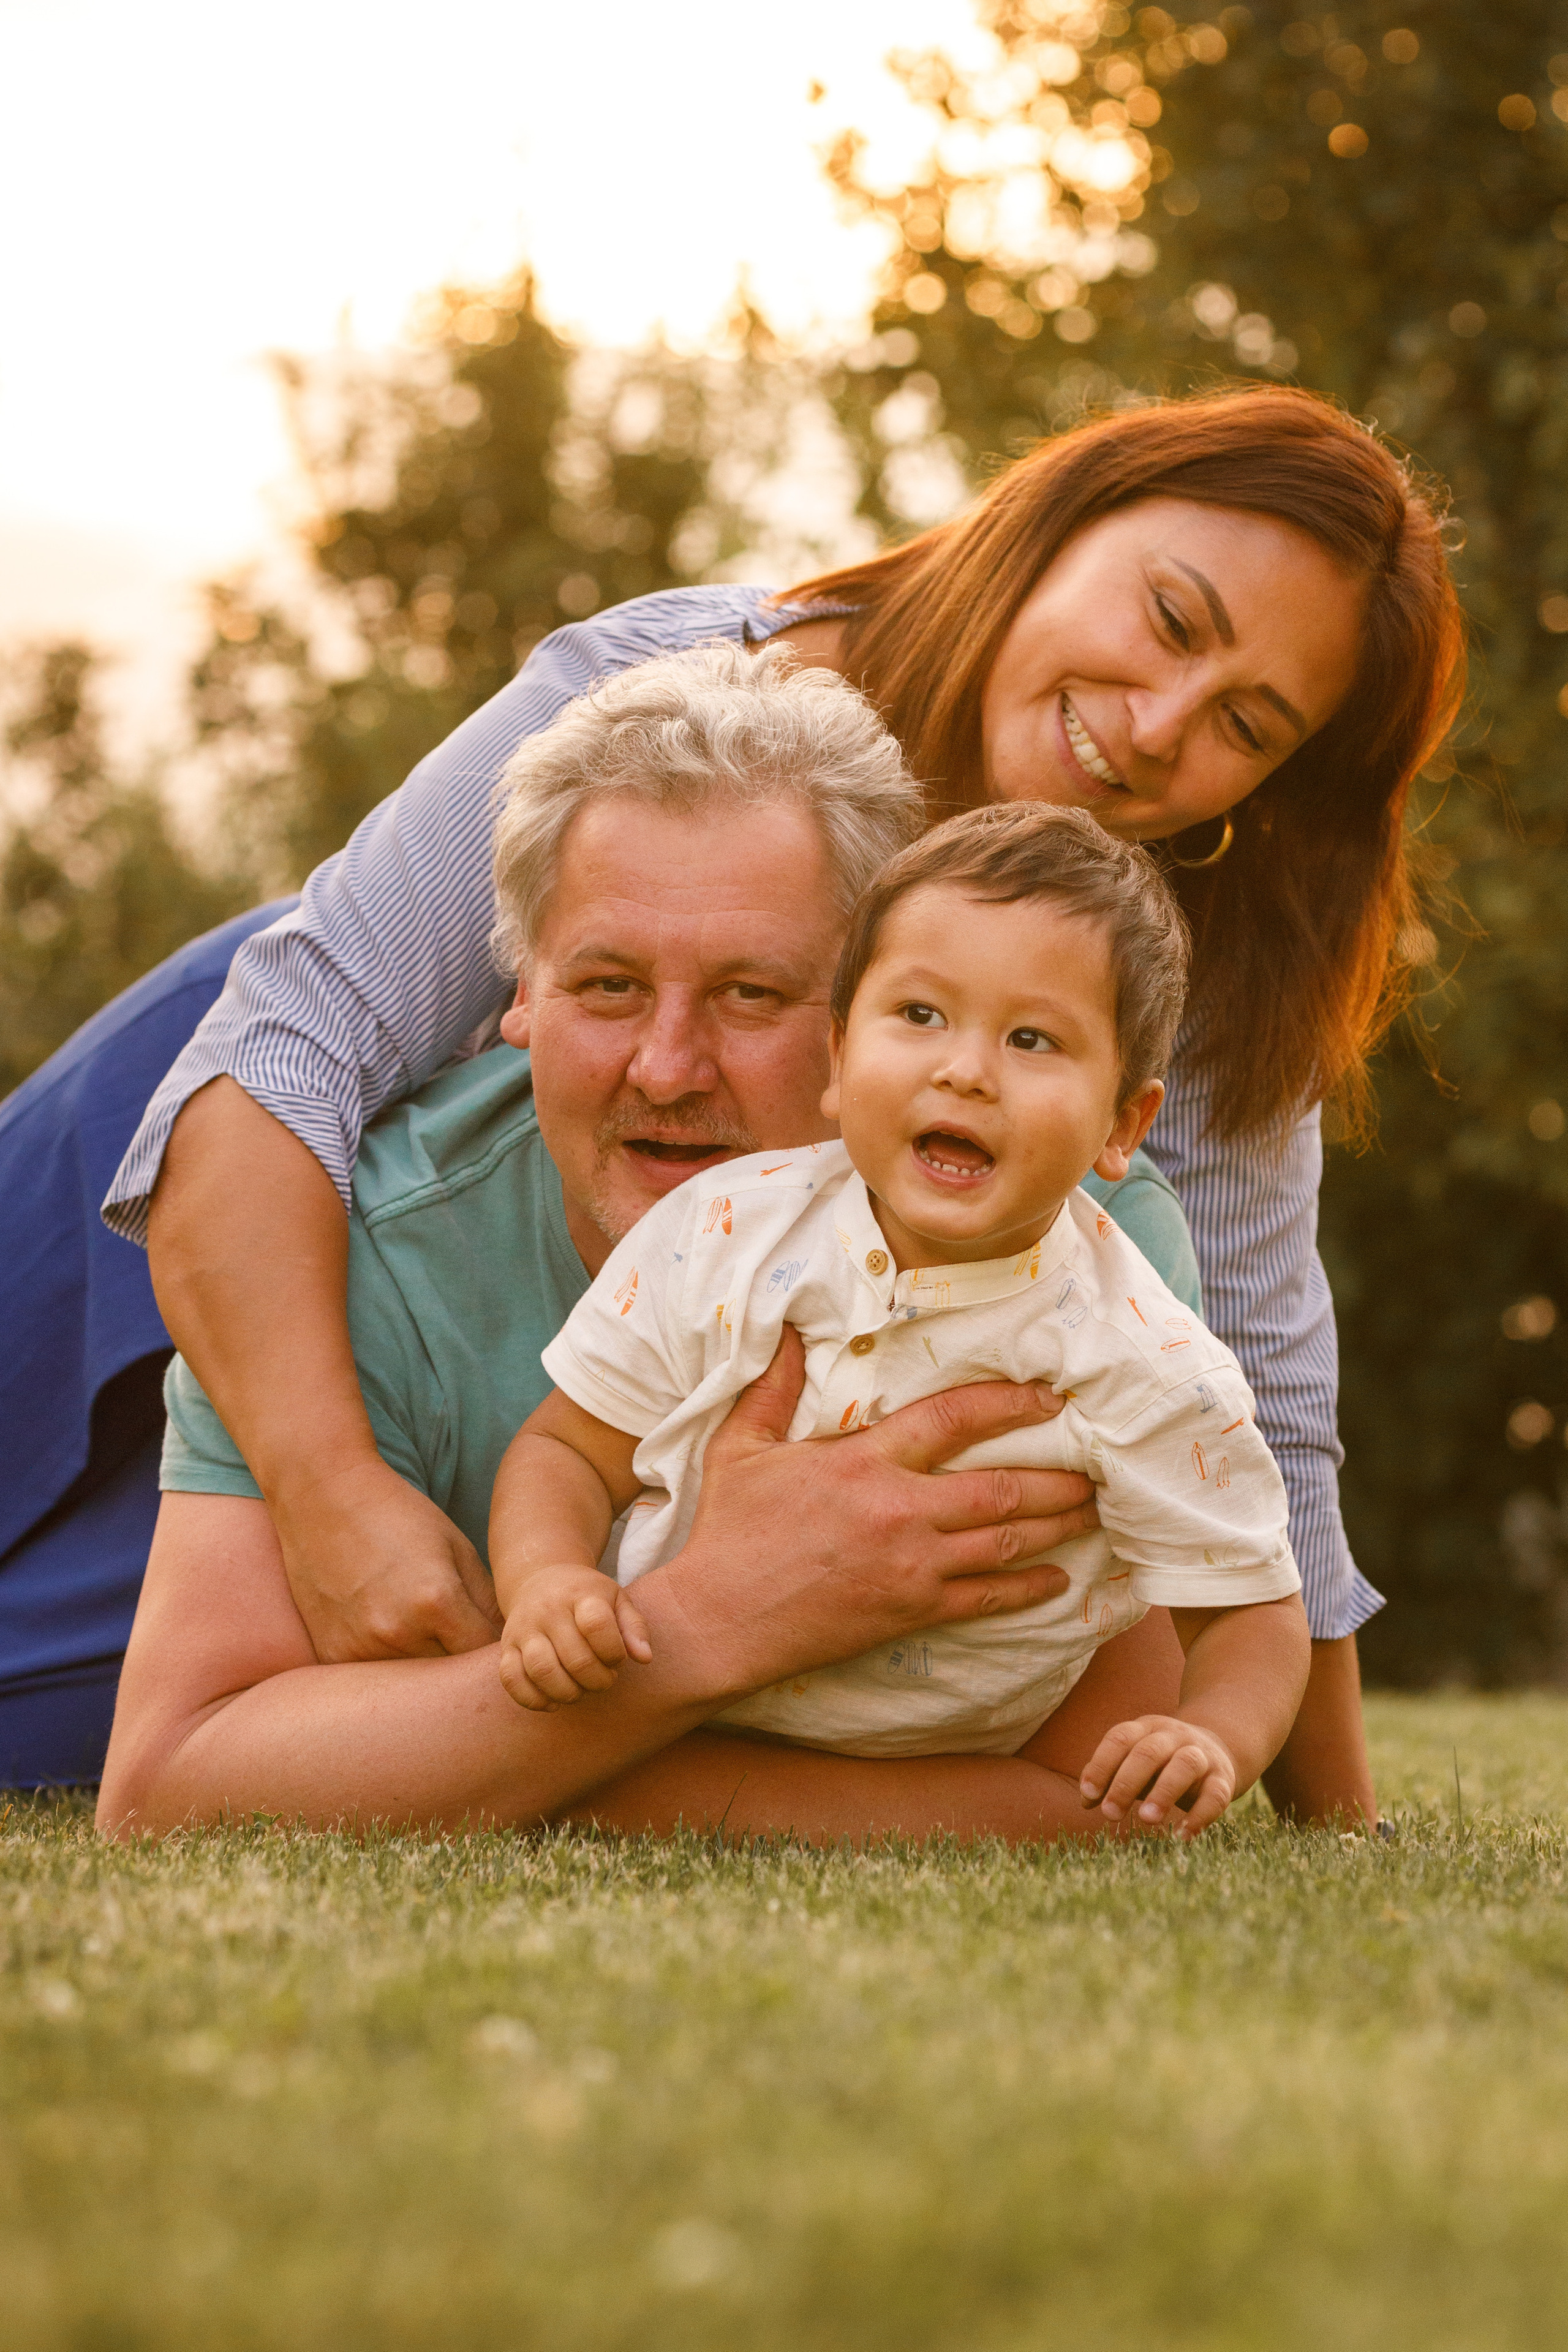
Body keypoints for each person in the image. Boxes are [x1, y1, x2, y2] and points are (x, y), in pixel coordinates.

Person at [20, 383, 1462, 1819]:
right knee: (280, 1653)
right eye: (1168, 619)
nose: (1156, 725)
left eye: (1245, 723)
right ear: (1056, 526)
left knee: (217, 1724)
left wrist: (1328, 1819)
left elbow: (1259, 1382)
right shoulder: (678, 693)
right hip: (273, 1175)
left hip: (582, 1261)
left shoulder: (1152, 965)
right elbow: (289, 1051)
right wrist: (336, 1500)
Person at [98, 647, 1208, 1841]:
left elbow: (1101, 1796)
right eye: (609, 986)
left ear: (862, 1022)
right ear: (523, 996)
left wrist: (467, 1757)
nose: (668, 1069)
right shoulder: (352, 1256)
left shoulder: (1073, 1246)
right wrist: (707, 1630)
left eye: (750, 994)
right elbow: (167, 1786)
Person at [494, 800, 1311, 1842]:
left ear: (1123, 1123)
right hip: (669, 1697)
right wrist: (547, 1580)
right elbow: (567, 1450)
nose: (963, 1070)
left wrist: (1216, 1737)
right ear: (838, 1058)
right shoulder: (723, 1230)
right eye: (920, 1015)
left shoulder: (1141, 1360)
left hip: (953, 1769)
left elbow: (1250, 1608)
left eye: (1031, 1039)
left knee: (1103, 1823)